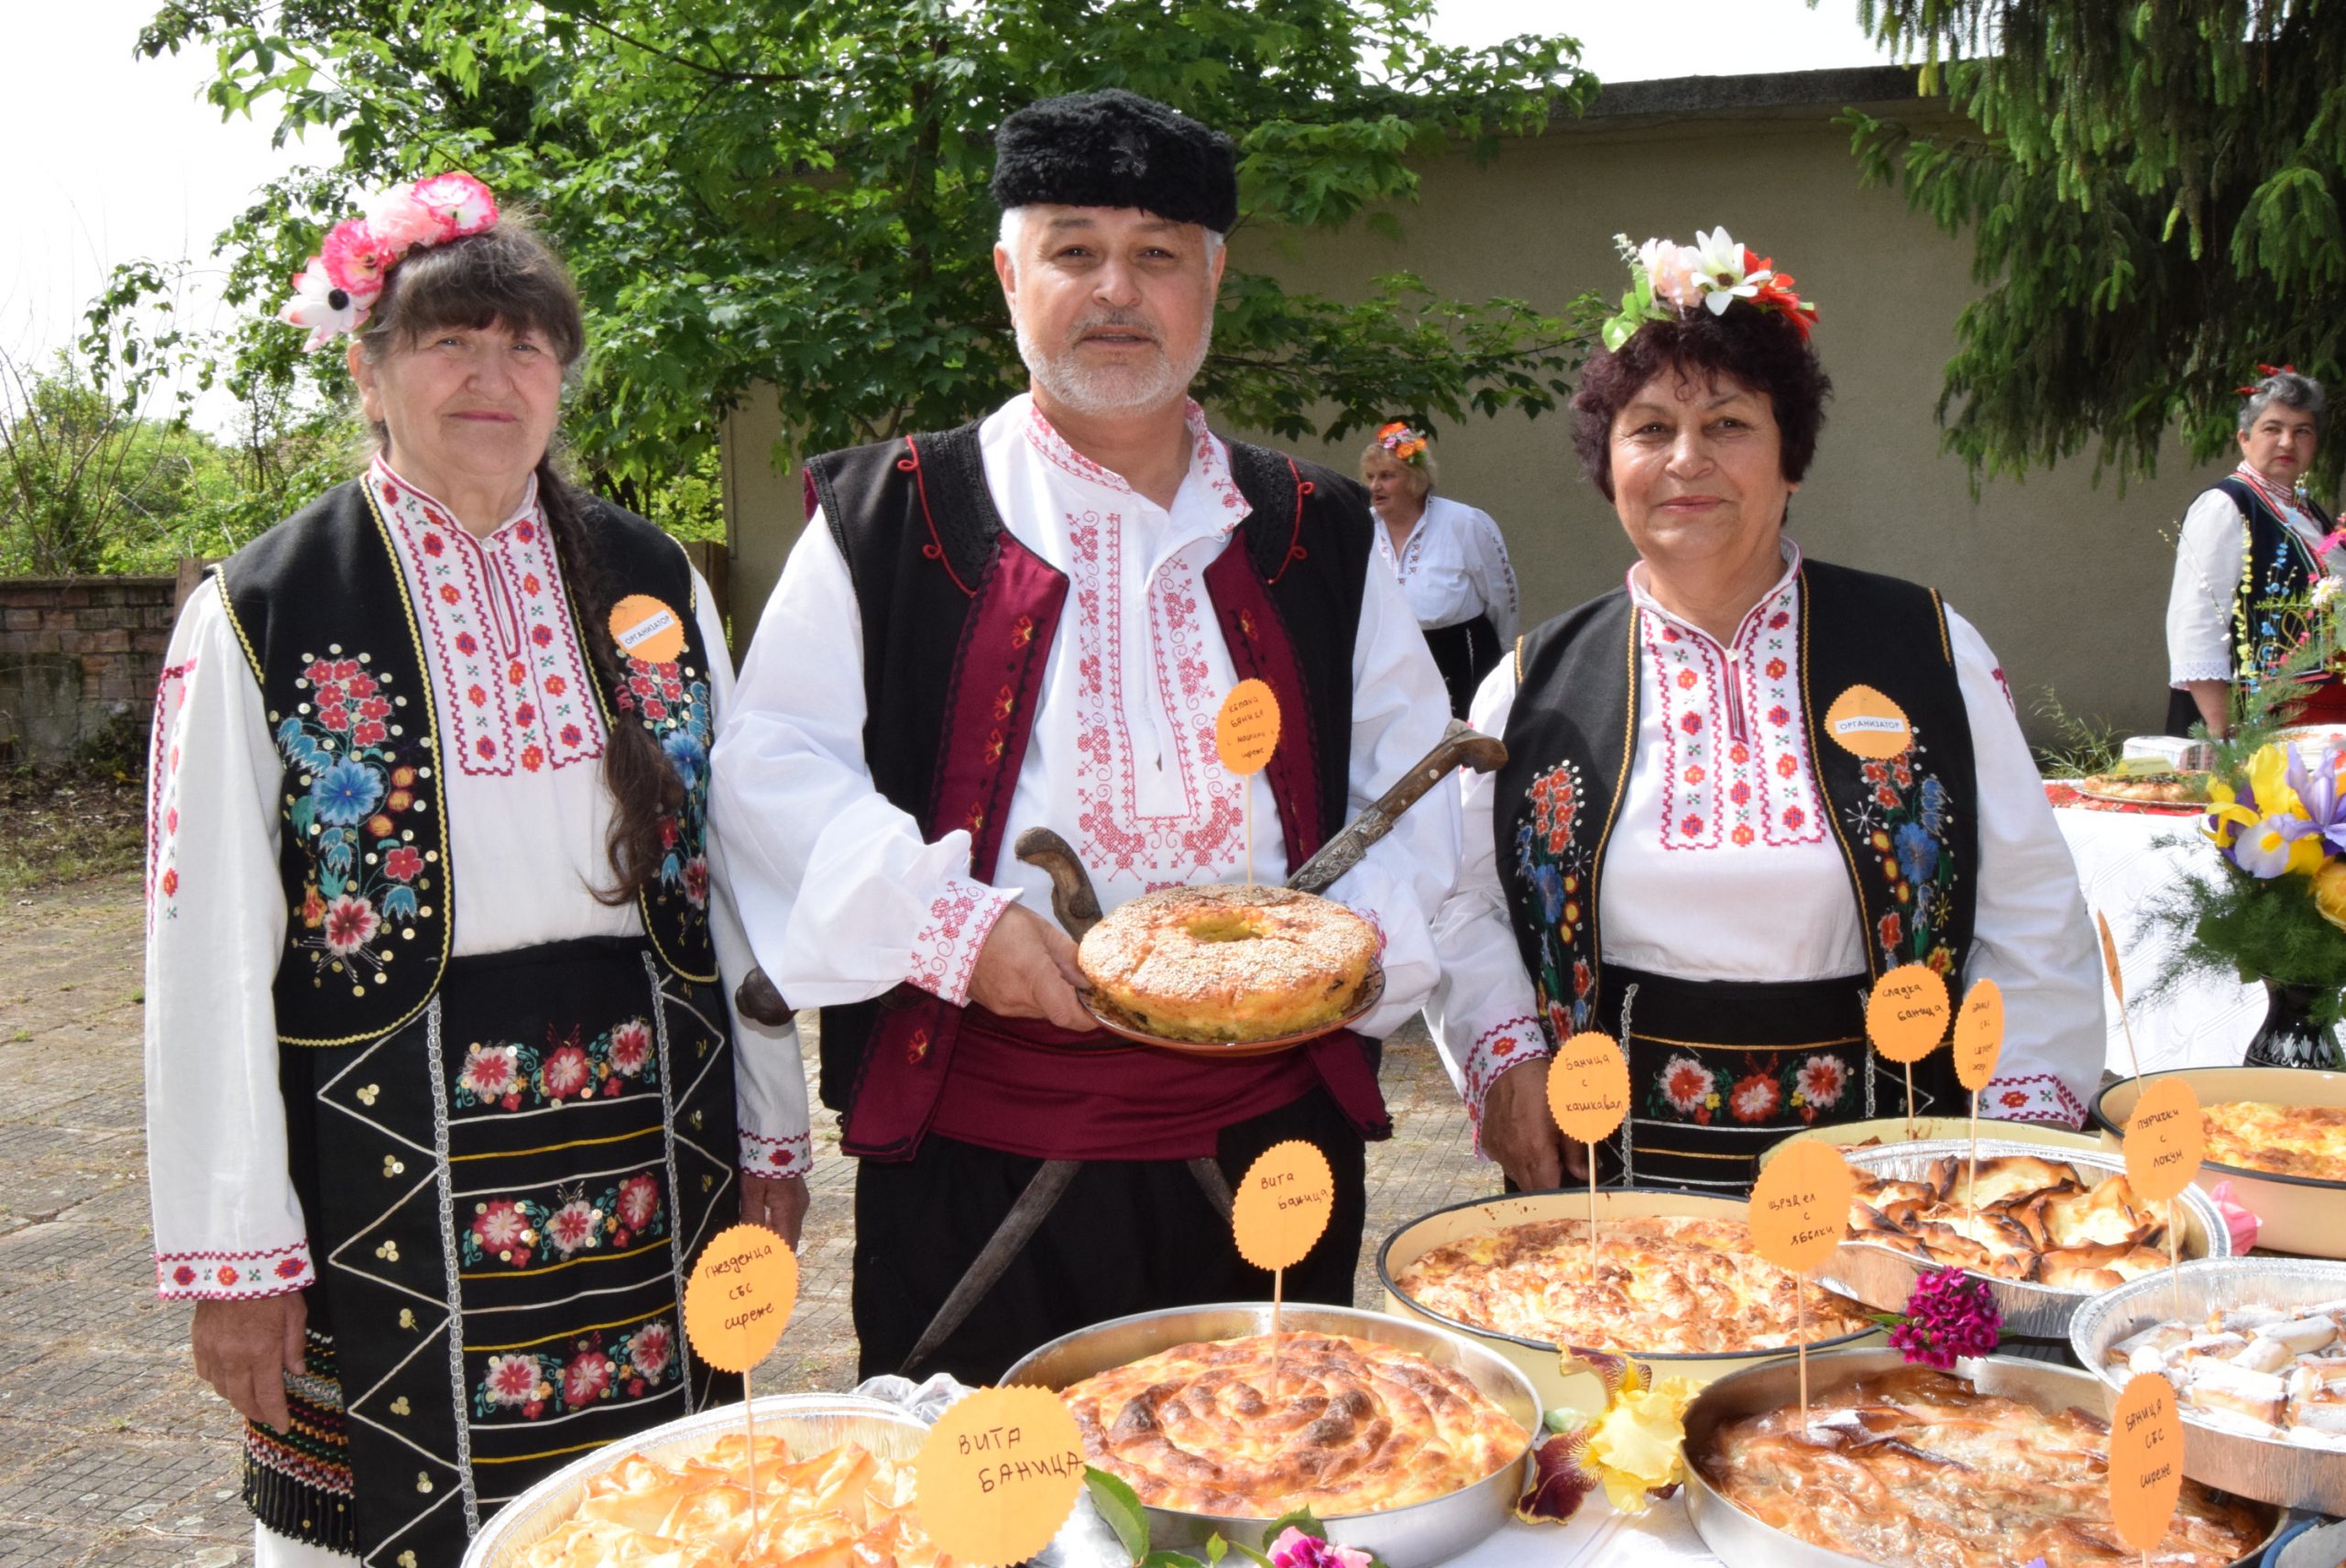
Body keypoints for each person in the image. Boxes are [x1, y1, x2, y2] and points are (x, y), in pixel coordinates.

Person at [711, 89, 1458, 1384]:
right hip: (978, 1155)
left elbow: (1417, 783)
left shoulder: (1318, 528)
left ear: (1213, 281)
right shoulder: (888, 516)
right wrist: (962, 929)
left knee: (1281, 1478)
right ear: (1010, 275)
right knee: (1001, 1506)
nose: (1117, 287)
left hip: (1267, 1144)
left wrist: (1339, 951)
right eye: (1073, 249)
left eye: (1159, 252)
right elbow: (775, 770)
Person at [143, 176, 808, 1568]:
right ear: (368, 369)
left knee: (660, 1511)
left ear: (562, 376)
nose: (491, 374)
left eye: (525, 343)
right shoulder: (263, 608)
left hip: (653, 1145)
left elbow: (731, 875)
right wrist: (233, 1253)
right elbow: (200, 953)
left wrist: (771, 1127)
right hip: (376, 1156)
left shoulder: (652, 585)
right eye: (448, 339)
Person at [1428, 227, 2105, 1195]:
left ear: (1792, 457)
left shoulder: (1926, 647)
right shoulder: (1532, 682)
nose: (1686, 460)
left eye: (1729, 424)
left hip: (1897, 1177)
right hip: (1611, 1196)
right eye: (1650, 428)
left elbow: (2031, 908)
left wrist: (2015, 1144)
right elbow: (1462, 901)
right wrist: (1504, 1058)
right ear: (1606, 464)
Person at [2165, 367, 2341, 738]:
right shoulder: (2225, 505)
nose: (2287, 442)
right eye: (2272, 429)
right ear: (2244, 439)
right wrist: (2222, 730)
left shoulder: (2305, 511)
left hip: (2313, 720)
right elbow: (2197, 623)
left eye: (2302, 431)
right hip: (2251, 722)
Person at [1360, 422, 1519, 717]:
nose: (1375, 487)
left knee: (1460, 739)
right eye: (1371, 477)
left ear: (1414, 479)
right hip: (1393, 658)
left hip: (1460, 653)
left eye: (1387, 476)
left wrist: (1503, 653)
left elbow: (1500, 592)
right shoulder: (1363, 528)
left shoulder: (1463, 522)